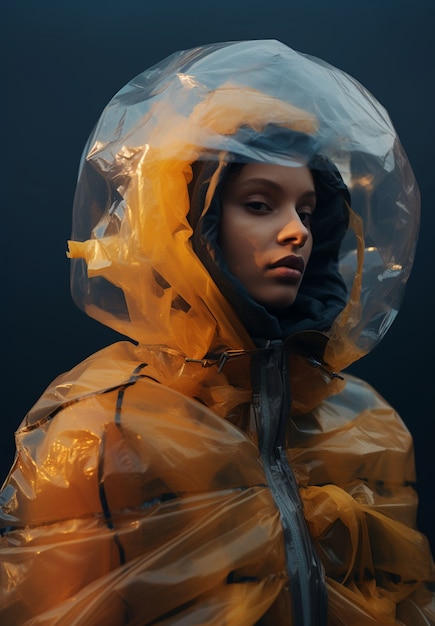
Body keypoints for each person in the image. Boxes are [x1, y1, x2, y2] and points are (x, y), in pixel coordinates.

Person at [0, 39, 434, 625]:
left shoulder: (369, 427)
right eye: (259, 204)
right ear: (185, 223)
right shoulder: (101, 434)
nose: (296, 233)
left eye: (308, 212)